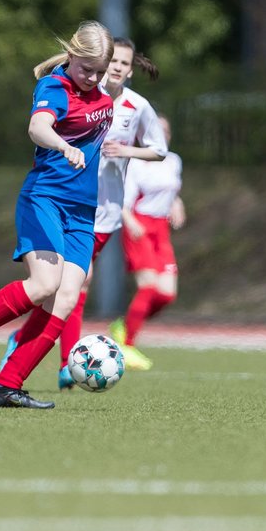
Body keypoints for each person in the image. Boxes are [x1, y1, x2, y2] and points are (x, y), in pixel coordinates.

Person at [0, 21, 115, 408]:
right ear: (71, 56)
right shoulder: (54, 86)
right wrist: (64, 147)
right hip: (44, 200)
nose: (93, 78)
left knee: (65, 299)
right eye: (86, 69)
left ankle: (7, 386)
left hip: (82, 214)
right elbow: (37, 127)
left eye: (101, 71)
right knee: (44, 284)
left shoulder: (103, 99)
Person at [0, 36, 167, 388]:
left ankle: (26, 344)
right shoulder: (86, 94)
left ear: (130, 69)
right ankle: (66, 361)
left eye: (124, 63)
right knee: (72, 285)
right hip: (71, 206)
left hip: (104, 211)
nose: (117, 69)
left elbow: (159, 150)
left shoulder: (136, 107)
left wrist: (126, 151)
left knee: (69, 290)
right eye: (113, 62)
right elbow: (46, 121)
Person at [109, 115, 185, 364]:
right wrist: (131, 223)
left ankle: (124, 324)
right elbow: (122, 200)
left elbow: (170, 190)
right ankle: (128, 344)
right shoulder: (136, 163)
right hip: (139, 225)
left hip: (161, 229)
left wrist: (177, 204)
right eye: (157, 131)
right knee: (148, 286)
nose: (162, 135)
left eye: (166, 131)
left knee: (166, 294)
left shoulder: (173, 161)